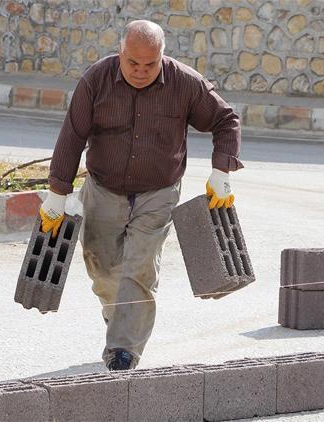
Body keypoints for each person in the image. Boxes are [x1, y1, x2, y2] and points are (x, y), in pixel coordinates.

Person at [39, 19, 243, 371]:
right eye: (133, 62)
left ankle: (123, 349)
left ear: (162, 56)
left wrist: (221, 171)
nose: (140, 71)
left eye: (150, 64)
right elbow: (72, 135)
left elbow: (226, 119)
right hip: (103, 188)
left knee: (140, 268)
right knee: (101, 267)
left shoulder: (184, 82)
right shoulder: (96, 80)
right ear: (121, 52)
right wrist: (58, 192)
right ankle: (118, 315)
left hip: (159, 192)